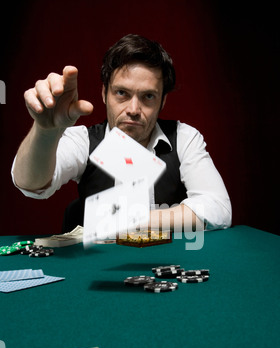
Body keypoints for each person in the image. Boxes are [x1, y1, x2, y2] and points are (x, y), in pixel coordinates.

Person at [12, 34, 231, 233]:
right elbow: (31, 184)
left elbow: (218, 209)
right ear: (104, 93)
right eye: (122, 93)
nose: (133, 109)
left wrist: (130, 219)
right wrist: (45, 131)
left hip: (165, 264)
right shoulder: (83, 140)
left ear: (163, 101)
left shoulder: (184, 138)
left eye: (148, 96)